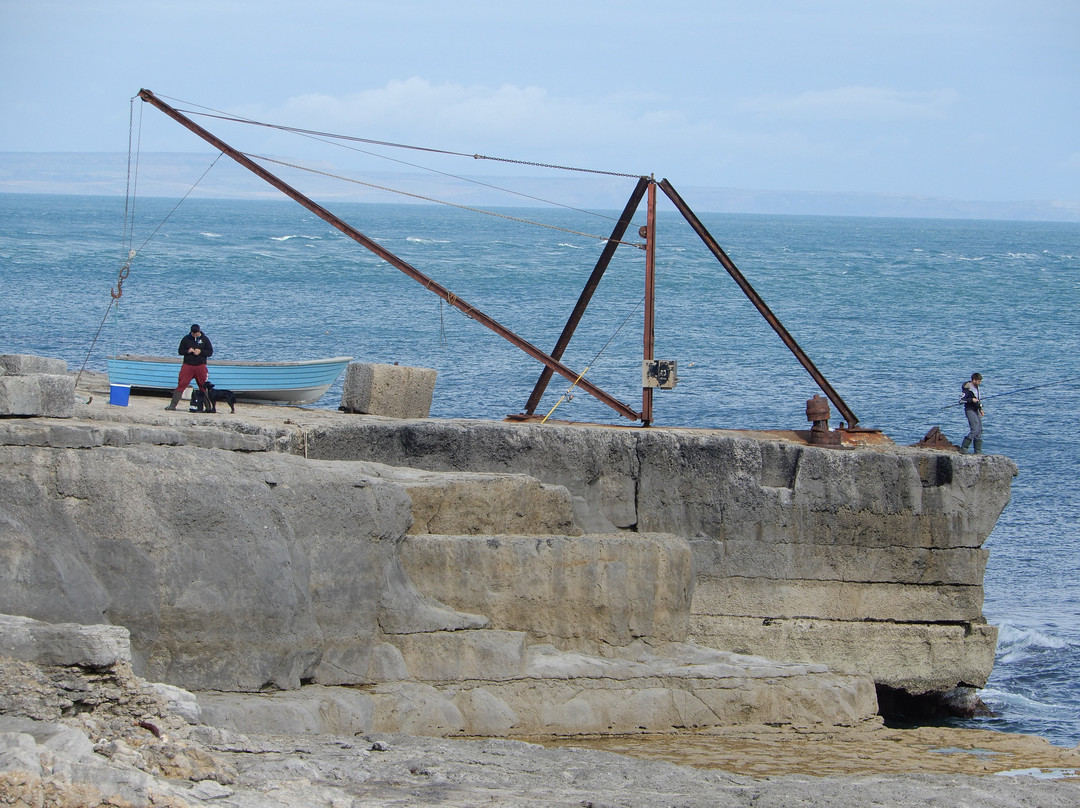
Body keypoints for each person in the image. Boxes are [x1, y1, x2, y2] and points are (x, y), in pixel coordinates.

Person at [165, 324, 213, 410]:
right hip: (188, 365)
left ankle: (208, 407)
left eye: (196, 333)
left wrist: (201, 352)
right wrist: (188, 351)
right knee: (181, 384)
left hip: (200, 366)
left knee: (203, 386)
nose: (195, 335)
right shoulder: (186, 339)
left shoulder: (205, 339)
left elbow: (210, 352)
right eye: (193, 333)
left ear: (199, 331)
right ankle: (172, 405)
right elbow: (180, 351)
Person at [959, 372, 984, 453]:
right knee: (975, 429)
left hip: (976, 410)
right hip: (969, 410)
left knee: (979, 430)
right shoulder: (967, 389)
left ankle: (978, 451)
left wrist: (980, 409)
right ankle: (964, 448)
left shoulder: (977, 388)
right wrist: (971, 400)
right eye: (978, 381)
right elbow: (961, 400)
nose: (979, 383)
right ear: (974, 380)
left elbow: (978, 400)